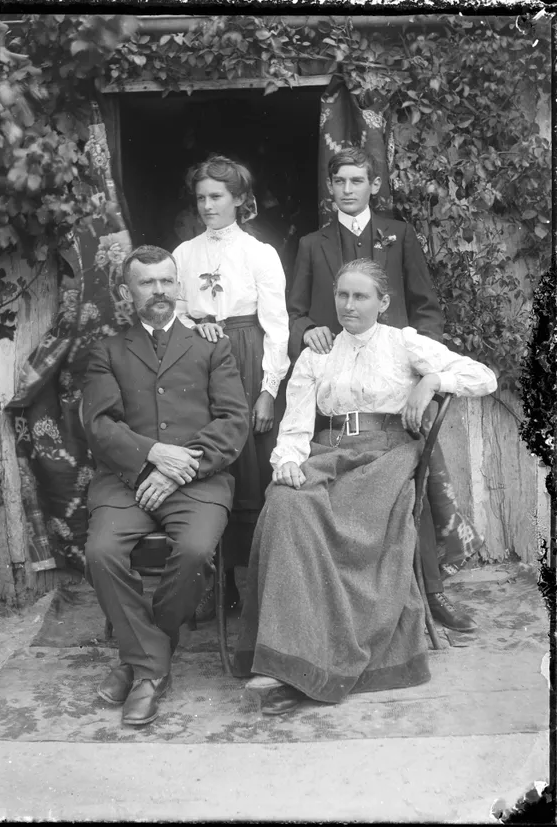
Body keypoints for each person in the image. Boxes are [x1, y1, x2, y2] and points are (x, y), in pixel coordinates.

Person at [234, 259, 497, 716]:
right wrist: (289, 462)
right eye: (343, 295)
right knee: (284, 503)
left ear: (383, 302)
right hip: (328, 453)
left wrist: (433, 380)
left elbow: (484, 377)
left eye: (360, 296)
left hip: (386, 456)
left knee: (356, 517)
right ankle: (286, 661)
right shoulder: (317, 354)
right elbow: (295, 424)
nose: (349, 305)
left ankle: (319, 663)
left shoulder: (403, 343)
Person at [287, 147, 480, 632]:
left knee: (418, 478)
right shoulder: (312, 243)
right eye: (340, 181)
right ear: (329, 187)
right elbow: (295, 313)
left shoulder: (398, 234)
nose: (348, 189)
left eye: (357, 180)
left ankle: (431, 592)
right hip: (338, 376)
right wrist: (308, 329)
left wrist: (422, 371)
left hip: (397, 378)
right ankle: (347, 603)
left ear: (373, 185)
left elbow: (425, 304)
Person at [82, 245, 249, 727]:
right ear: (126, 291)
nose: (159, 291)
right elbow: (99, 424)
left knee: (195, 551)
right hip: (125, 482)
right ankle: (152, 667)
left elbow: (233, 421)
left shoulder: (211, 346)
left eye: (166, 281)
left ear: (178, 285)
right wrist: (152, 455)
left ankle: (137, 660)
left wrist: (179, 466)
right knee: (100, 553)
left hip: (198, 481)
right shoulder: (107, 351)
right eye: (146, 282)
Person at [173, 155, 290, 615]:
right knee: (209, 460)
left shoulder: (260, 253)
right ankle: (218, 581)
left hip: (247, 356)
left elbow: (277, 326)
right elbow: (175, 310)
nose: (207, 206)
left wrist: (268, 390)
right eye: (201, 197)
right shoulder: (184, 254)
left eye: (217, 196)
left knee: (251, 466)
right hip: (199, 359)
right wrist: (193, 323)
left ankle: (259, 582)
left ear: (239, 199)